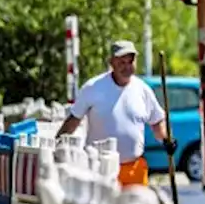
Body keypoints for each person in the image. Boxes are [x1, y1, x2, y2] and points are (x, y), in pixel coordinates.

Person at [58, 40, 170, 187]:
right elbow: (74, 119)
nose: (127, 67)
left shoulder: (142, 90)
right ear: (111, 62)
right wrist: (57, 143)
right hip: (99, 168)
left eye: (130, 62)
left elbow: (157, 121)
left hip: (133, 169)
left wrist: (167, 140)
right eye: (121, 62)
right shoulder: (93, 88)